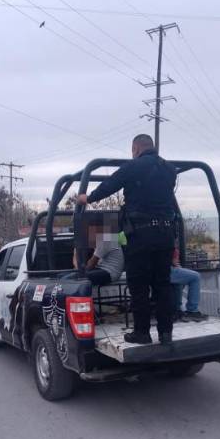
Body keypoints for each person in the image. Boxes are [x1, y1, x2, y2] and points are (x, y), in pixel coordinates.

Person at [77, 134, 177, 345]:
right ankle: (166, 333)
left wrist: (88, 198)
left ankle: (142, 333)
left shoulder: (134, 166)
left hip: (141, 235)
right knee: (162, 285)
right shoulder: (169, 169)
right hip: (166, 234)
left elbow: (110, 185)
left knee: (139, 285)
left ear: (135, 148)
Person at [170, 248, 209, 322]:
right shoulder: (167, 240)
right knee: (195, 276)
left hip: (152, 270)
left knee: (179, 280)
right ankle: (192, 310)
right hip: (163, 270)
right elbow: (173, 257)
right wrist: (174, 262)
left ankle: (176, 311)